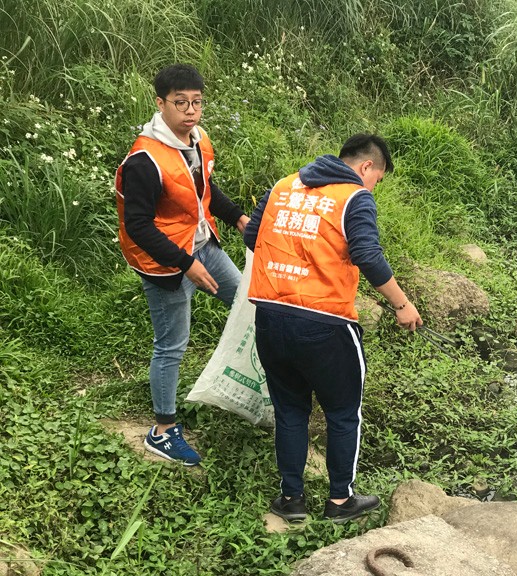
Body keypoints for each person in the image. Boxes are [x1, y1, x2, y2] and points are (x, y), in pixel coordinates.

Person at [243, 133, 422, 523]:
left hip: (271, 316)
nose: (373, 186)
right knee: (344, 412)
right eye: (378, 178)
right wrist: (402, 304)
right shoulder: (354, 197)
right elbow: (367, 255)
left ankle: (291, 500)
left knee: (290, 410)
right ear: (366, 167)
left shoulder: (283, 186)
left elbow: (251, 236)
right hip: (325, 323)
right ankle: (340, 501)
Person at [115, 63, 250, 466]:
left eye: (197, 102)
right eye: (180, 103)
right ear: (161, 104)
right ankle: (162, 431)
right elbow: (137, 226)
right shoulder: (144, 160)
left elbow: (204, 191)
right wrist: (184, 263)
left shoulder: (198, 140)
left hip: (203, 245)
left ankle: (255, 391)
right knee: (171, 345)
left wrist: (239, 218)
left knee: (249, 303)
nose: (190, 111)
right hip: (165, 264)